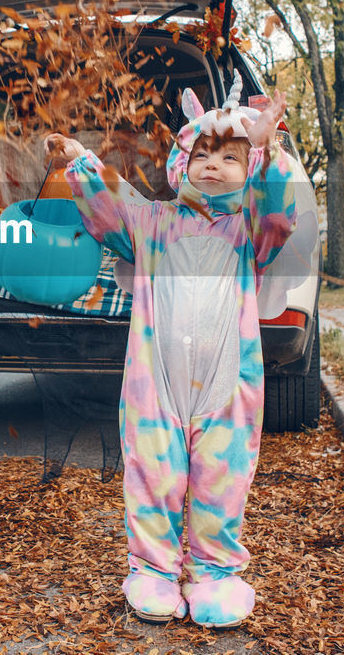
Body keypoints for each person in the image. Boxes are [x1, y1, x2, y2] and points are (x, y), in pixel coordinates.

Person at [45, 82, 296, 629]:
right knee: (154, 473)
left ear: (247, 170)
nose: (212, 165)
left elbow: (279, 215)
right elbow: (114, 204)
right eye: (201, 154)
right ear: (182, 163)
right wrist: (81, 163)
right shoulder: (153, 222)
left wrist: (270, 149)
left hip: (227, 383)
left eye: (230, 157)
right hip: (155, 383)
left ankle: (213, 574)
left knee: (222, 476)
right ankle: (154, 572)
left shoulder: (249, 231)